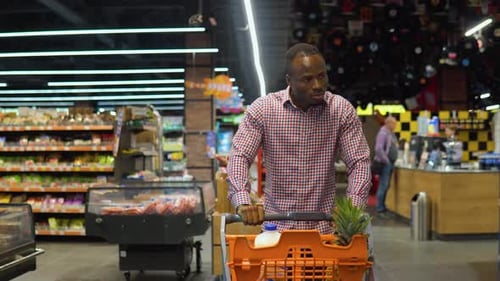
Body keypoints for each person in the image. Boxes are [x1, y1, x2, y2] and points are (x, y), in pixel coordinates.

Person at [226, 43, 372, 234]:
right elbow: (240, 156)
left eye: (321, 76)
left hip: (324, 231)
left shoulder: (341, 110)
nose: (318, 85)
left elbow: (359, 162)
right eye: (307, 79)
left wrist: (352, 210)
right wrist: (242, 201)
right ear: (290, 81)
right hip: (275, 230)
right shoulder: (263, 110)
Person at [373, 116, 398, 219]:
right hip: (384, 164)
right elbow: (378, 149)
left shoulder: (390, 133)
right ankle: (380, 209)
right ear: (388, 123)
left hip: (390, 163)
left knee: (386, 185)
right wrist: (386, 161)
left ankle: (383, 207)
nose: (395, 126)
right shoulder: (383, 133)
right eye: (394, 124)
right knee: (383, 186)